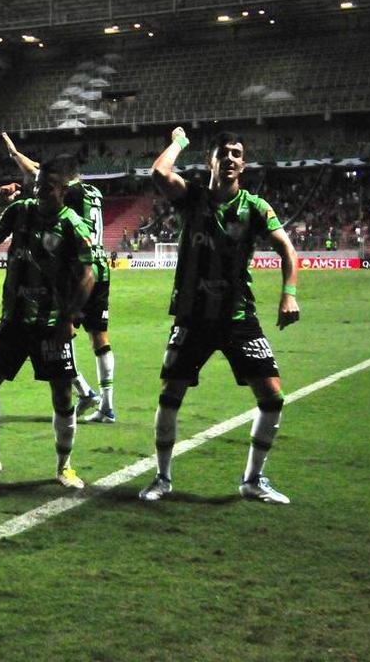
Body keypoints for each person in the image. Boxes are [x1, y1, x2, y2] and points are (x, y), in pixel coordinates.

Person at [139, 127, 301, 504]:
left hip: (238, 316)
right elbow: (159, 174)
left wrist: (288, 295)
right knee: (170, 393)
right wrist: (179, 141)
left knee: (273, 397)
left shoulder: (256, 208)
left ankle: (253, 480)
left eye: (236, 153)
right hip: (192, 316)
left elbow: (287, 250)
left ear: (243, 164)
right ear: (211, 160)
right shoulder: (191, 197)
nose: (229, 158)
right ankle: (162, 478)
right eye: (223, 152)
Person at [0, 157, 95, 489]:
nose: (39, 192)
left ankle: (64, 466)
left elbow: (88, 275)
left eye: (47, 187)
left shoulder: (73, 225)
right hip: (14, 320)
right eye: (37, 186)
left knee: (63, 396)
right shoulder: (20, 212)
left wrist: (68, 317)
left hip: (51, 324)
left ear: (63, 191)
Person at [1, 133, 118, 423]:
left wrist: (16, 154)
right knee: (99, 336)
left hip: (77, 271)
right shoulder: (94, 192)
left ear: (63, 180)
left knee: (56, 330)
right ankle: (107, 406)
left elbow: (35, 172)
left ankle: (85, 391)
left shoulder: (70, 193)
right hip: (100, 266)